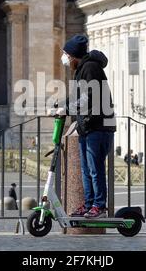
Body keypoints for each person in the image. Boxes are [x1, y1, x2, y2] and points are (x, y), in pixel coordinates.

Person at [51, 35, 116, 218]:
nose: (63, 58)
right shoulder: (80, 69)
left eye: (65, 54)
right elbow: (75, 97)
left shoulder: (90, 68)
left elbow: (90, 97)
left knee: (95, 170)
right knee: (86, 169)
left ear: (73, 55)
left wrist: (67, 110)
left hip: (99, 126)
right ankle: (88, 205)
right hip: (86, 126)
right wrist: (59, 107)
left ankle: (99, 206)